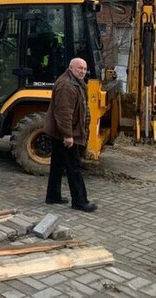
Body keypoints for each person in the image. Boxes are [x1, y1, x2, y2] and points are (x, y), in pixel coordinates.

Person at [44, 57, 97, 212]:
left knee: (58, 164)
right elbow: (64, 114)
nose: (83, 71)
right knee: (74, 167)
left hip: (64, 132)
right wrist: (68, 135)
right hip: (66, 134)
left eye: (85, 68)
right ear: (71, 68)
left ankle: (53, 196)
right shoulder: (67, 85)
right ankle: (80, 201)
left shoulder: (76, 82)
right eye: (79, 68)